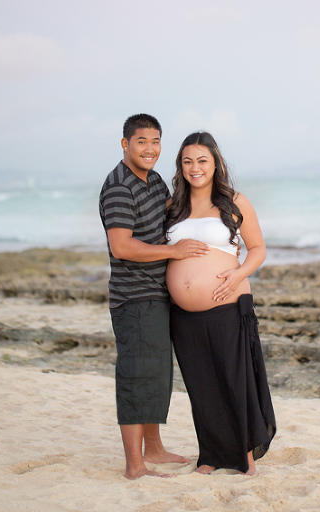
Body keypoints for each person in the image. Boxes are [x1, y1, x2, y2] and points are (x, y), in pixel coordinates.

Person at [98, 114, 210, 479]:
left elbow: (171, 218)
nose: (150, 149)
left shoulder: (154, 180)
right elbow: (122, 246)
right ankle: (135, 465)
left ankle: (156, 449)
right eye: (142, 141)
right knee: (136, 375)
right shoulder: (119, 186)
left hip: (157, 294)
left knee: (157, 374)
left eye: (156, 141)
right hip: (134, 297)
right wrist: (174, 253)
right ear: (125, 144)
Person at [164, 131, 276, 475]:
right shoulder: (173, 207)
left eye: (202, 160)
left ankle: (244, 457)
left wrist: (239, 273)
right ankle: (210, 456)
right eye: (187, 161)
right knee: (200, 384)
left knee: (233, 379)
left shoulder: (235, 201)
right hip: (182, 314)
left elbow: (257, 248)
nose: (194, 168)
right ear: (180, 166)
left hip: (228, 303)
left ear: (215, 163)